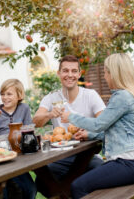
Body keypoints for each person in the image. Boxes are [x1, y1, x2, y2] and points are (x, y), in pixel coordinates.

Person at [61, 53, 134, 199]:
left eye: (106, 72)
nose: (104, 77)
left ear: (114, 74)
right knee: (84, 181)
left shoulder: (122, 97)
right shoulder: (127, 95)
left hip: (127, 163)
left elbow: (98, 124)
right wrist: (89, 135)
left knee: (78, 186)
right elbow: (114, 131)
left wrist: (70, 116)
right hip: (130, 163)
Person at [32, 55, 106, 196]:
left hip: (88, 154)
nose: (70, 75)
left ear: (79, 74)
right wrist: (49, 115)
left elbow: (103, 123)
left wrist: (88, 129)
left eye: (73, 71)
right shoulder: (51, 97)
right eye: (65, 71)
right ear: (59, 73)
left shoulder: (90, 95)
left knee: (102, 174)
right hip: (60, 157)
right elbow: (35, 121)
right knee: (42, 182)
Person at [0, 79, 37, 199]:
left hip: (19, 157)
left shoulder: (24, 108)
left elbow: (29, 132)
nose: (5, 98)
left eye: (9, 94)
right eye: (2, 94)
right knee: (5, 192)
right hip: (1, 158)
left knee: (31, 190)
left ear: (19, 95)